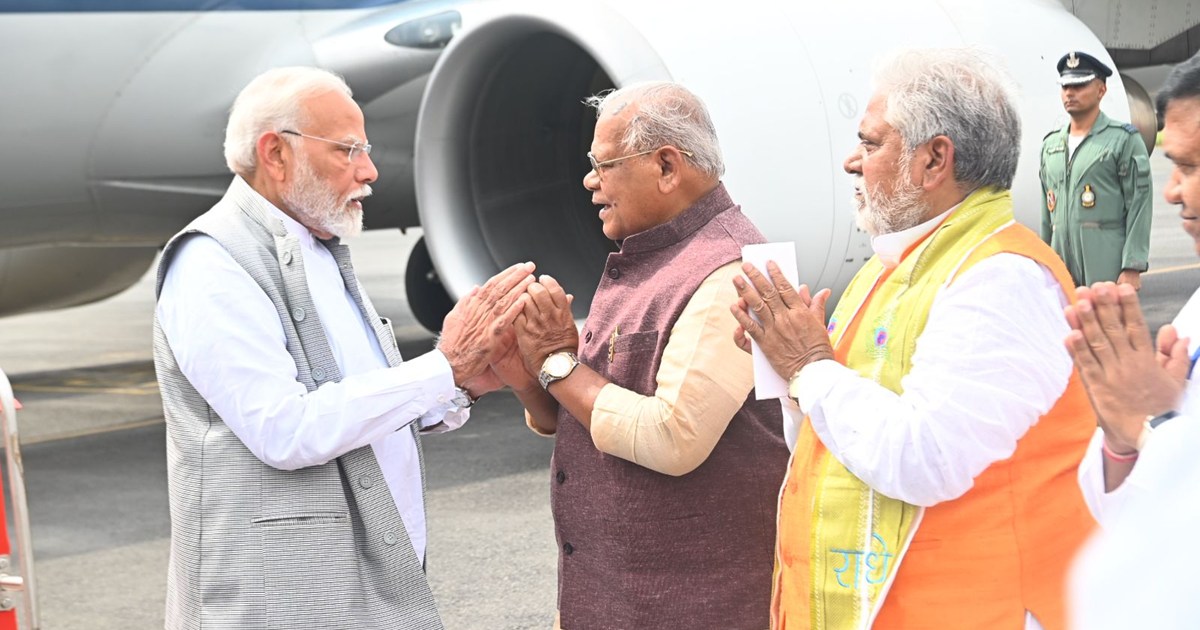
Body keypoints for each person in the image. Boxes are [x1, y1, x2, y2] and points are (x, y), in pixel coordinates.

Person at [152, 67, 533, 629]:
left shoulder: (316, 247)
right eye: (348, 149)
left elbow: (359, 402)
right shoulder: (213, 264)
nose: (369, 170)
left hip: (353, 585)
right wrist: (442, 367)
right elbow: (286, 429)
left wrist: (466, 380)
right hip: (282, 598)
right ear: (275, 154)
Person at [731, 48, 1097, 629]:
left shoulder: (1001, 277)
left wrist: (809, 367)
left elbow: (927, 458)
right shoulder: (888, 267)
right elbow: (829, 440)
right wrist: (789, 363)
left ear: (933, 161)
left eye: (872, 144)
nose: (852, 161)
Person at [496, 82, 789, 629]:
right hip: (618, 601)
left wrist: (560, 366)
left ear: (666, 167)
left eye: (604, 165)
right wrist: (530, 377)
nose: (589, 181)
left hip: (696, 607)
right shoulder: (655, 256)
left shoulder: (731, 272)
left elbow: (673, 437)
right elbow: (588, 410)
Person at [1066, 52, 1200, 629]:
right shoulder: (1191, 316)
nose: (1174, 191)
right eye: (1174, 166)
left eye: (1191, 168)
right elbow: (1130, 527)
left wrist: (1166, 422)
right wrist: (1125, 434)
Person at [1039, 50, 1153, 288]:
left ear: (1101, 90)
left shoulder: (1122, 140)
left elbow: (1140, 204)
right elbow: (1046, 215)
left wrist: (1132, 265)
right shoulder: (1050, 146)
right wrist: (1044, 264)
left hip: (1106, 261)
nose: (1070, 92)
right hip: (1061, 263)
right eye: (1065, 86)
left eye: (1079, 86)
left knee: (1108, 323)